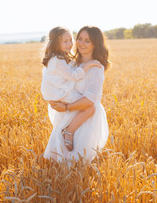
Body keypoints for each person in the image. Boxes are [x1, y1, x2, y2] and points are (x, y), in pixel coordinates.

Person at [44, 26, 110, 163]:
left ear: (95, 44)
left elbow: (90, 101)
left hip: (84, 121)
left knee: (76, 163)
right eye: (80, 38)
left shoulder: (96, 68)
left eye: (87, 41)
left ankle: (69, 131)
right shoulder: (72, 63)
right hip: (66, 116)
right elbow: (56, 82)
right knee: (57, 163)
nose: (81, 43)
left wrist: (66, 107)